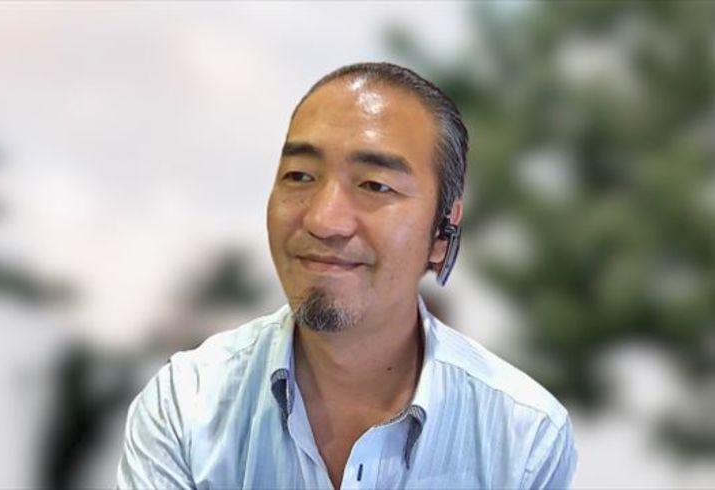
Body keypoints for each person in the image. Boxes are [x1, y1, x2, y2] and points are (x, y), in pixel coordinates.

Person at [117, 62, 578, 489]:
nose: (324, 220)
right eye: (299, 176)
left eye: (375, 185)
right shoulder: (186, 406)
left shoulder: (523, 438)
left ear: (443, 231)